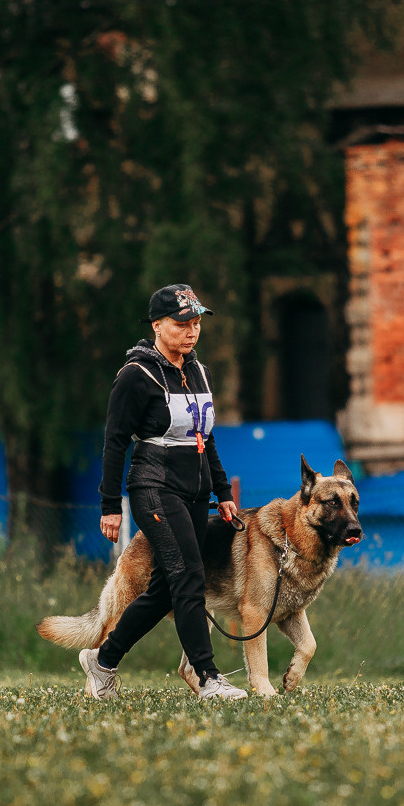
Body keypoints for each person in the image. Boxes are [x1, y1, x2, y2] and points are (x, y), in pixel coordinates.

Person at [83, 284, 248, 701]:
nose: (192, 331)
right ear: (157, 325)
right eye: (182, 323)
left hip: (196, 492)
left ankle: (103, 661)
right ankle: (208, 677)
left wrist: (222, 491)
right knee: (190, 576)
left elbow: (205, 437)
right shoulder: (135, 376)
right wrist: (109, 505)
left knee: (163, 590)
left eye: (197, 323)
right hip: (154, 488)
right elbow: (114, 442)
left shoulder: (199, 371)